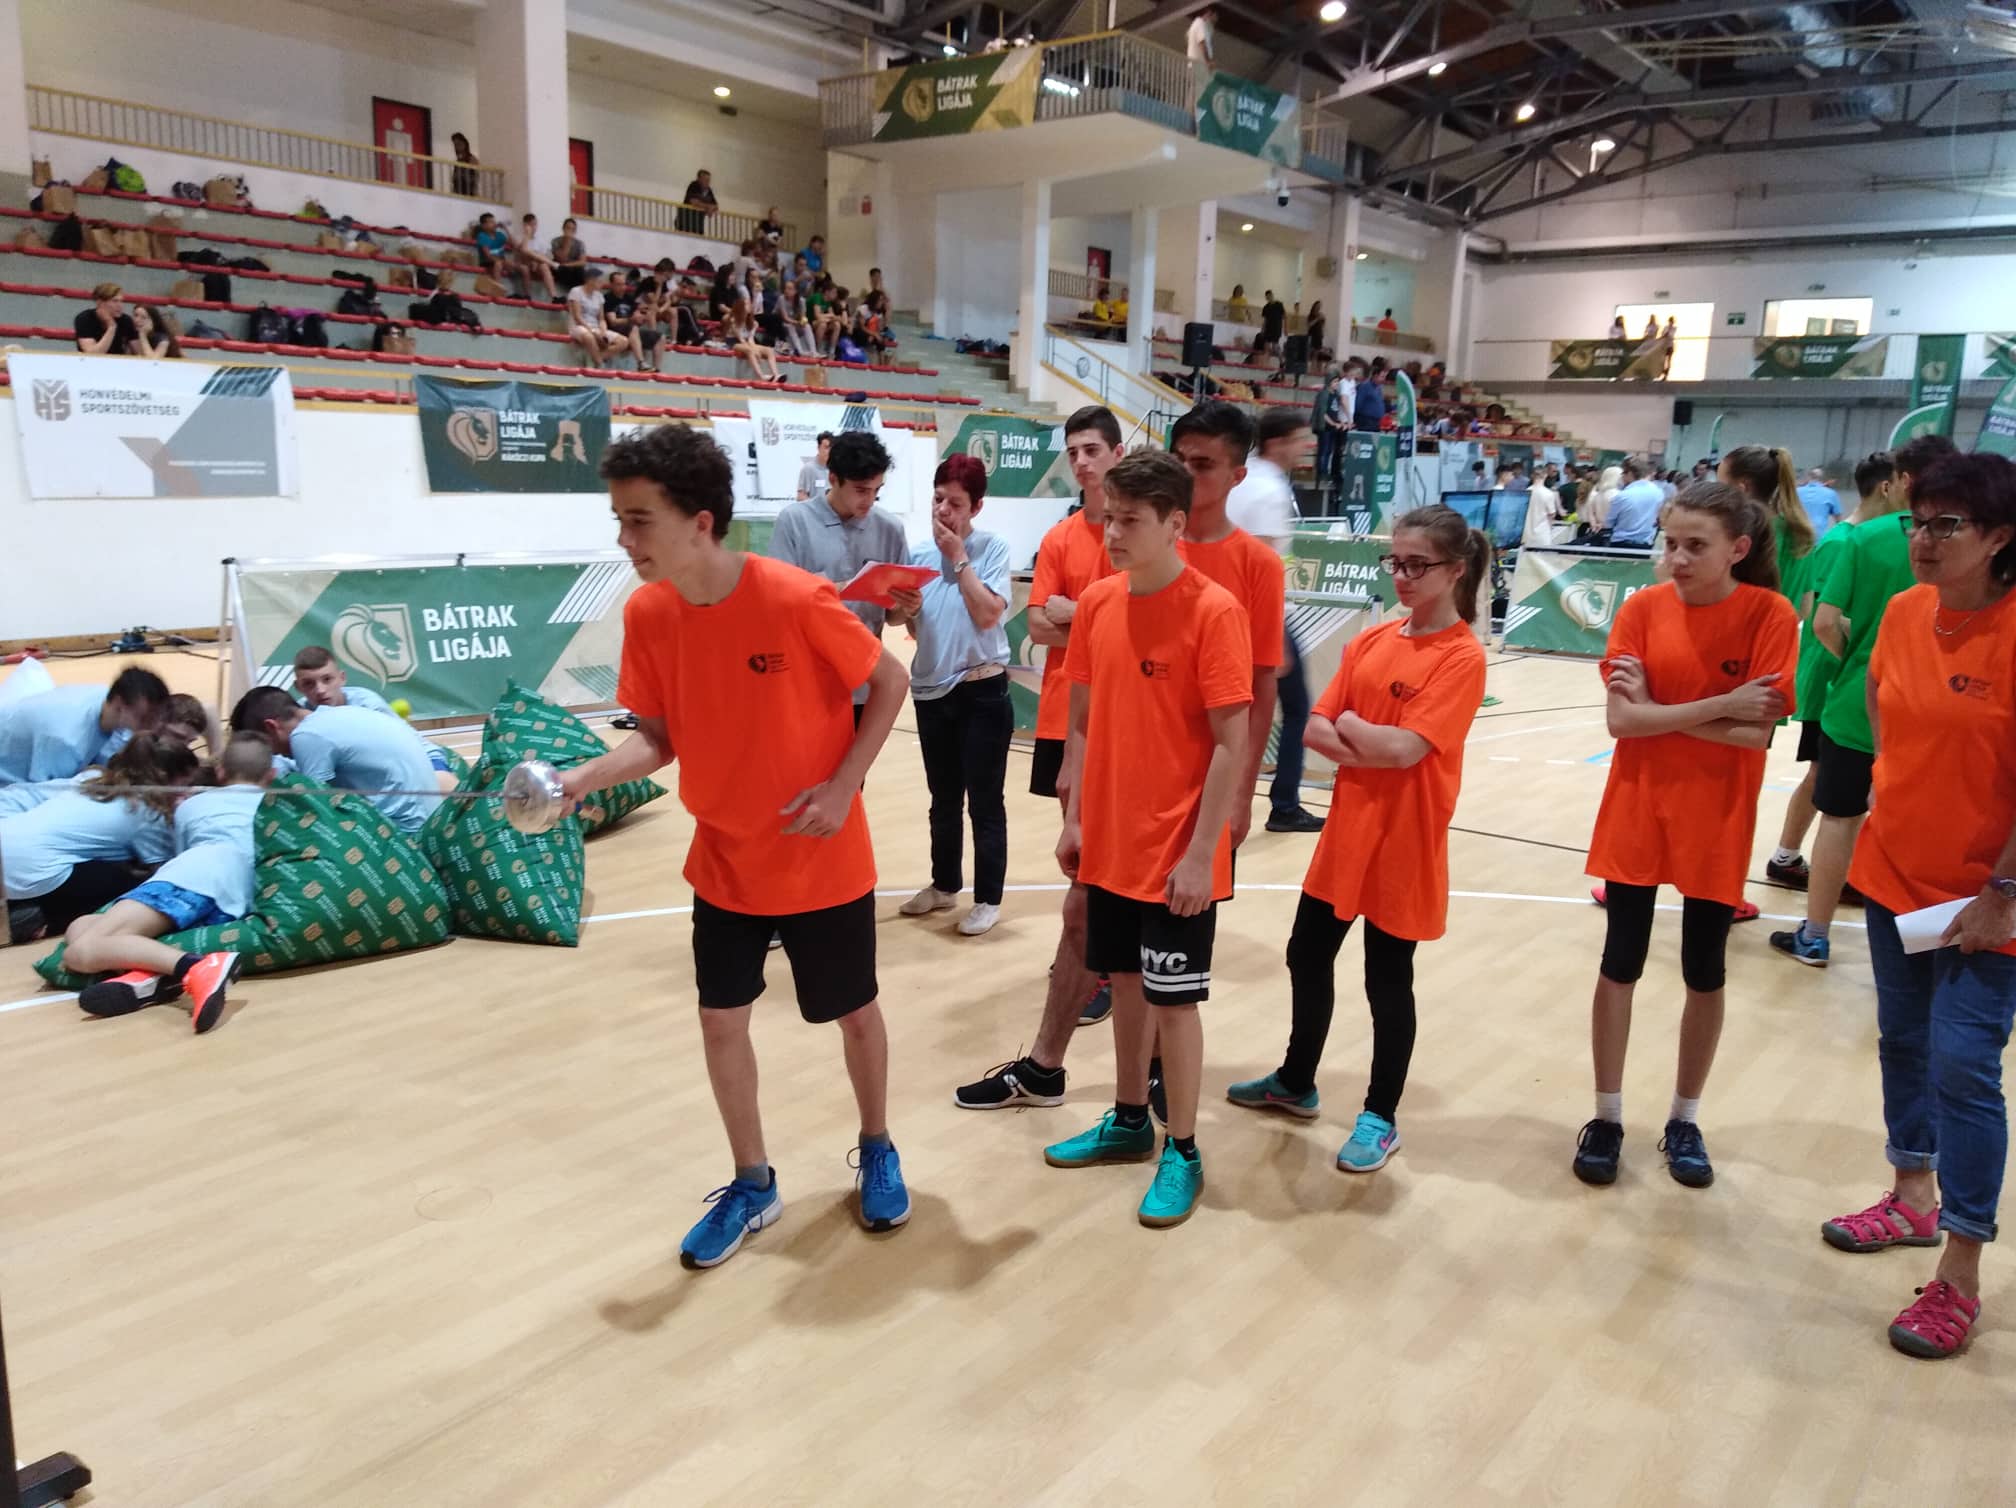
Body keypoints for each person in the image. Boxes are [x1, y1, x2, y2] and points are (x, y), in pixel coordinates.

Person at [559, 423, 911, 1269]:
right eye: (619, 519)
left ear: (701, 522)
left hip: (820, 856)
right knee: (722, 1021)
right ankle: (753, 1183)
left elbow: (890, 679)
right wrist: (579, 780)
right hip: (723, 859)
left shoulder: (793, 598)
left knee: (854, 1013)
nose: (624, 539)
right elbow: (658, 740)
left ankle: (877, 1144)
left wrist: (844, 785)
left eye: (639, 520)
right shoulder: (648, 613)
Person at [1817, 450, 2016, 1360]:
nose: (1925, 540)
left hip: (1990, 903)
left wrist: (2001, 892)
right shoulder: (1903, 613)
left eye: (1947, 525)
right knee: (1903, 1043)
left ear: (2000, 537)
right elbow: (1882, 717)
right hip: (1897, 882)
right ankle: (1911, 1199)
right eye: (1918, 522)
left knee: (1964, 1067)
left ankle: (1960, 1273)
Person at [1228, 506, 1489, 1168]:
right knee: (1305, 954)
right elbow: (1316, 727)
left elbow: (1405, 750)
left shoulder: (1462, 657)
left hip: (1406, 840)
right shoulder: (1370, 642)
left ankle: (1380, 1116)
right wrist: (1365, 737)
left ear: (1456, 570)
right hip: (1347, 832)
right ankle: (1296, 1080)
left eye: (1418, 565)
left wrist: (1356, 731)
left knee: (1387, 980)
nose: (1402, 575)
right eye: (1395, 561)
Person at [1042, 448, 1250, 1229]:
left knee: (1175, 1003)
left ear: (1174, 523)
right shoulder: (1098, 603)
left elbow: (1232, 742)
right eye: (1108, 517)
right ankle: (1130, 1119)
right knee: (1125, 985)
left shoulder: (1214, 612)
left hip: (1177, 855)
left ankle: (1183, 1148)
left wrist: (1201, 854)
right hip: (1110, 845)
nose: (1113, 533)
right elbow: (1082, 722)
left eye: (1130, 520)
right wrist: (1075, 817)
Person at [1572, 481, 1799, 1189]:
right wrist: (1721, 706)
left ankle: (1684, 1119)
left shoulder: (1770, 614)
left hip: (1717, 819)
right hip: (1638, 809)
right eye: (1670, 543)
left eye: (1695, 546)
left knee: (1705, 969)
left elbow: (1757, 733)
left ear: (1738, 548)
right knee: (1620, 962)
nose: (1677, 558)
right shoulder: (1641, 609)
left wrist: (1661, 711)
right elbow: (1621, 723)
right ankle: (1607, 1117)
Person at [1772, 440, 1949, 967]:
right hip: (1939, 707)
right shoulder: (1978, 545)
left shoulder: (1864, 537)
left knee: (1839, 817)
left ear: (1902, 481)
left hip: (1856, 703)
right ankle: (1922, 943)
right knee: (1924, 824)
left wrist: (1857, 660)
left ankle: (1815, 935)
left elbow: (1824, 621)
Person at [68, 732, 276, 1034]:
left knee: (80, 951)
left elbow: (178, 857)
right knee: (81, 925)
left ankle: (196, 967)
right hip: (235, 897)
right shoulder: (274, 808)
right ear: (271, 775)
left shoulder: (194, 805)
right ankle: (147, 976)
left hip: (195, 874)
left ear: (220, 772)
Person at [889, 455, 1014, 938]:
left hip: (982, 689)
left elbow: (988, 615)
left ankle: (988, 899)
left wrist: (959, 558)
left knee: (984, 801)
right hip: (931, 690)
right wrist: (905, 609)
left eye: (955, 503)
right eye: (938, 499)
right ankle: (944, 885)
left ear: (976, 507)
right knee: (942, 799)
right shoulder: (919, 553)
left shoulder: (993, 548)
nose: (943, 510)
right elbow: (901, 621)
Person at [769, 431, 913, 713]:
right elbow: (777, 603)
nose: (870, 499)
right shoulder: (794, 521)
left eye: (876, 490)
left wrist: (908, 607)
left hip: (867, 685)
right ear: (833, 478)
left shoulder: (890, 529)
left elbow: (893, 617)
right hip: (807, 684)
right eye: (861, 490)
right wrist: (839, 588)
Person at [1228, 409, 1321, 833]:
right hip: (1262, 617)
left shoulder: (1244, 479)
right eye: (1301, 438)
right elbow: (1262, 565)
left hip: (1234, 613)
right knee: (1296, 709)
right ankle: (1283, 804)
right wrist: (1273, 635)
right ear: (1277, 442)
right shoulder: (1268, 490)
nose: (1308, 445)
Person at [2, 735, 189, 944]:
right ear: (167, 779)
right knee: (133, 887)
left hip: (8, 843)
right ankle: (39, 917)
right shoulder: (147, 814)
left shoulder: (91, 778)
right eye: (185, 785)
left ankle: (21, 905)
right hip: (36, 871)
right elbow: (161, 871)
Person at [229, 686, 441, 832]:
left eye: (268, 747)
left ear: (271, 727)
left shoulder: (307, 736)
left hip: (410, 830)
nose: (275, 755)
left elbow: (318, 811)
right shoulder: (336, 715)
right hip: (430, 817)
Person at [0, 667, 168, 786]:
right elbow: (43, 794)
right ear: (119, 705)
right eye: (145, 718)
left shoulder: (106, 700)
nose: (151, 726)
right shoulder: (67, 739)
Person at [291, 645, 393, 715]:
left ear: (342, 678)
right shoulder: (297, 715)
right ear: (298, 687)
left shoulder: (370, 707)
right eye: (308, 683)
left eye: (327, 679)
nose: (320, 690)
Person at [565, 268, 630, 369]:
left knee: (623, 341)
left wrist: (603, 331)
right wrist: (592, 331)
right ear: (591, 280)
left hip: (595, 327)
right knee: (589, 337)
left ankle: (596, 358)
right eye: (599, 281)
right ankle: (600, 364)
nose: (602, 283)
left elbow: (601, 319)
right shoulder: (576, 291)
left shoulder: (599, 296)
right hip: (579, 326)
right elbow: (577, 316)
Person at [604, 270, 661, 373]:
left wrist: (644, 316)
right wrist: (631, 319)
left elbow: (637, 316)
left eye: (624, 284)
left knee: (660, 337)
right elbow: (613, 322)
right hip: (615, 331)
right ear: (611, 285)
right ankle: (641, 364)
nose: (622, 287)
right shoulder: (608, 299)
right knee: (633, 328)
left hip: (630, 330)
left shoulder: (629, 298)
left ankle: (656, 369)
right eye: (619, 284)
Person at [1605, 458, 1665, 547]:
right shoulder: (1659, 492)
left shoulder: (1623, 496)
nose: (1622, 477)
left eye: (1623, 473)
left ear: (1630, 474)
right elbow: (1658, 517)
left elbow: (1609, 522)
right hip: (1646, 543)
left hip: (1620, 543)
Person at [723, 296, 782, 383]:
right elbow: (741, 339)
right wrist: (754, 351)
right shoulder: (734, 321)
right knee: (750, 350)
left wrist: (756, 349)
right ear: (741, 307)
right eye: (747, 304)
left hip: (746, 342)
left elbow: (751, 339)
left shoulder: (753, 323)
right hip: (734, 342)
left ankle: (776, 375)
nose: (750, 306)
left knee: (769, 350)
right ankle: (761, 376)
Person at [74, 283, 138, 356]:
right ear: (100, 302)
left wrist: (142, 333)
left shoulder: (126, 320)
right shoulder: (85, 319)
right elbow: (93, 355)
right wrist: (112, 327)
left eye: (121, 301)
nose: (120, 305)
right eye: (115, 301)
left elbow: (141, 355)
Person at [509, 213, 559, 301]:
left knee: (544, 266)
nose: (534, 227)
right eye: (531, 224)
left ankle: (554, 296)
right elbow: (520, 252)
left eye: (535, 224)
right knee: (526, 254)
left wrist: (535, 262)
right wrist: (527, 236)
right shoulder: (518, 237)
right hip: (522, 263)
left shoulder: (540, 240)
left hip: (536, 266)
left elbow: (543, 256)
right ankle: (527, 295)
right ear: (525, 225)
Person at [1798, 466, 1844, 535]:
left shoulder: (1796, 492)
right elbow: (1838, 520)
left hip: (1798, 535)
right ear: (1823, 479)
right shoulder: (1831, 493)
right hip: (1819, 536)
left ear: (1808, 477)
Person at [778, 278, 817, 356]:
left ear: (795, 291)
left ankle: (814, 351)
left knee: (807, 326)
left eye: (789, 289)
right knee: (790, 326)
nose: (786, 291)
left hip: (796, 323)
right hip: (783, 324)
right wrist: (796, 322)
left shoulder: (801, 301)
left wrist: (803, 322)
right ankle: (800, 351)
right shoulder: (781, 299)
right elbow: (785, 318)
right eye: (786, 288)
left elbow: (803, 316)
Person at [550, 217, 588, 291]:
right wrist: (567, 242)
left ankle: (576, 294)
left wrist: (568, 265)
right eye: (568, 228)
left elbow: (583, 262)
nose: (570, 231)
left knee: (581, 272)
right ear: (563, 229)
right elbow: (562, 259)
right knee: (563, 270)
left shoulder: (579, 243)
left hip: (571, 267)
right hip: (559, 267)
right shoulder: (555, 241)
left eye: (573, 229)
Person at [796, 432, 833, 503]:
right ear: (818, 448)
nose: (829, 451)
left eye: (831, 448)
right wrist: (815, 506)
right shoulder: (808, 468)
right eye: (826, 447)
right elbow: (801, 496)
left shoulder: (837, 469)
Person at [678, 169, 718, 236]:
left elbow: (716, 206)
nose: (708, 182)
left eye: (708, 180)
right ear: (699, 179)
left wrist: (710, 208)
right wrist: (708, 207)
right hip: (686, 223)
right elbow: (694, 202)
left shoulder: (709, 190)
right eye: (705, 179)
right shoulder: (694, 185)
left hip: (698, 226)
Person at [472, 213, 509, 277]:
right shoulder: (482, 236)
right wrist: (500, 262)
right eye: (491, 222)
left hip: (501, 261)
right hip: (488, 263)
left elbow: (515, 245)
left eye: (494, 221)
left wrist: (506, 229)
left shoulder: (500, 234)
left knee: (523, 268)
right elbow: (488, 255)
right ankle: (497, 283)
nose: (494, 224)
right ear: (484, 225)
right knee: (498, 264)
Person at [449, 132, 480, 197]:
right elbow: (454, 179)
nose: (457, 147)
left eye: (459, 144)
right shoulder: (458, 162)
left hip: (469, 195)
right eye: (455, 145)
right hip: (457, 194)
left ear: (464, 144)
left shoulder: (472, 159)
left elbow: (475, 178)